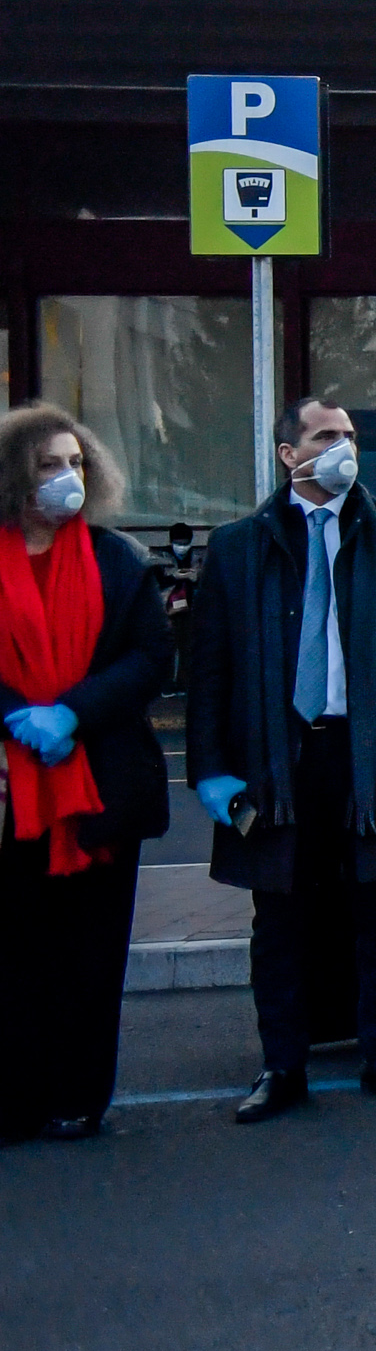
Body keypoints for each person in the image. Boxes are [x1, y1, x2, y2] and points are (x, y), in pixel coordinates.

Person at [185, 398, 376, 1120]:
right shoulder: (240, 544)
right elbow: (208, 668)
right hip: (278, 759)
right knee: (280, 918)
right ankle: (282, 1064)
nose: (343, 447)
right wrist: (209, 766)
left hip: (368, 756)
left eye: (350, 437)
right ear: (288, 453)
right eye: (326, 436)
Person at [0, 408, 170, 1141]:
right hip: (11, 791)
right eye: (48, 464)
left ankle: (77, 1094)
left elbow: (149, 659)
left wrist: (69, 712)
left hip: (98, 785)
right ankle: (12, 1097)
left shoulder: (117, 559)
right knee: (13, 952)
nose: (67, 477)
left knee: (89, 954)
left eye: (75, 460)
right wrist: (15, 714)